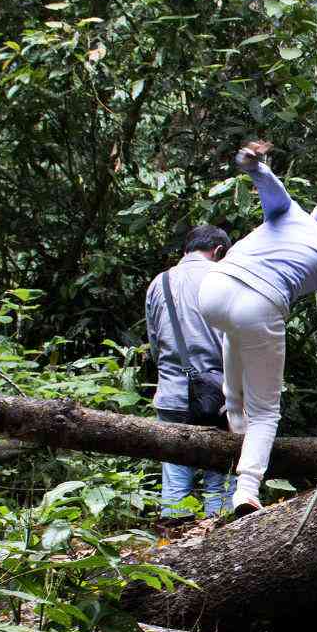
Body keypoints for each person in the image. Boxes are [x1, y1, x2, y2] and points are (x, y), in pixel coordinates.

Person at [195, 140, 317, 518]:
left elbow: (270, 185)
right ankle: (246, 489)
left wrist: (253, 163)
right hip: (258, 304)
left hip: (212, 288)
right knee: (267, 412)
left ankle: (235, 418)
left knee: (234, 334)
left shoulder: (291, 214)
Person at [143, 222, 232, 518]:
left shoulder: (160, 282)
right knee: (219, 482)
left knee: (176, 484)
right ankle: (221, 550)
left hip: (172, 395)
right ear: (219, 251)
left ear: (186, 250)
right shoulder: (223, 278)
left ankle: (174, 554)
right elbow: (233, 341)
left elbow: (155, 345)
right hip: (218, 396)